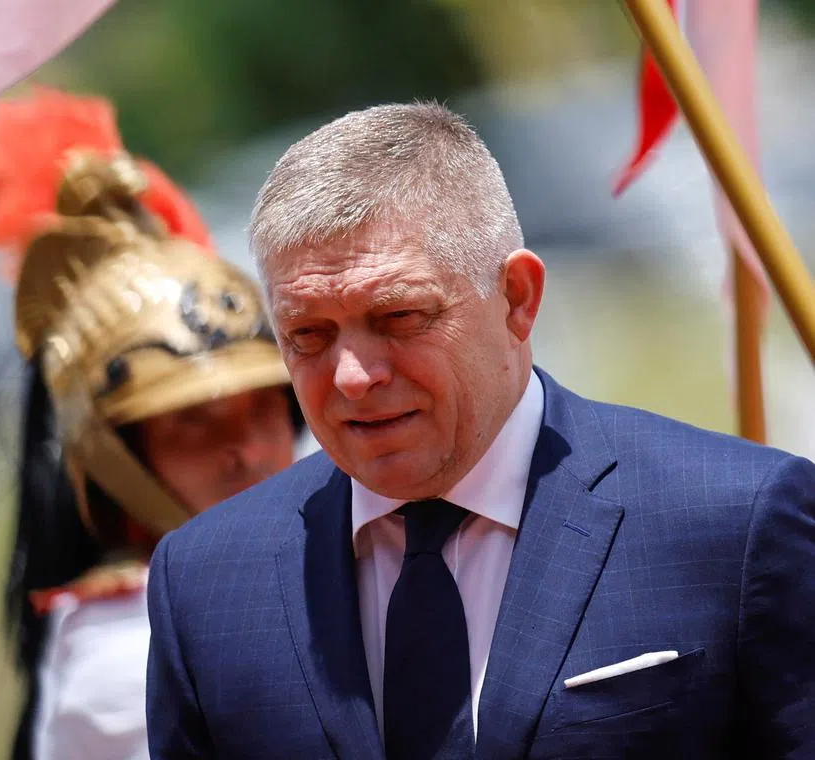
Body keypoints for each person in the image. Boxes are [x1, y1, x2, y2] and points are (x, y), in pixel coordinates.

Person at [144, 100, 815, 759]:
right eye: (308, 335)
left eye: (399, 317)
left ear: (518, 297)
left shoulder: (734, 525)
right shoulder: (206, 586)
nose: (352, 376)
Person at [0, 87, 304, 760]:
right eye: (193, 423)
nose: (248, 450)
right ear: (116, 455)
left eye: (263, 406)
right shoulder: (123, 656)